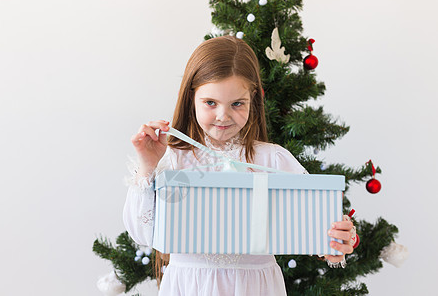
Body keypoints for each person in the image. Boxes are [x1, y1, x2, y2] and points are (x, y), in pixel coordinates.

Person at [123, 36, 354, 295]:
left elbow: (316, 228)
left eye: (237, 104)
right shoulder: (173, 161)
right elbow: (143, 234)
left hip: (256, 287)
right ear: (192, 98)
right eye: (211, 103)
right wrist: (147, 167)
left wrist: (336, 243)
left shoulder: (273, 159)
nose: (223, 115)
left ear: (252, 99)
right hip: (189, 286)